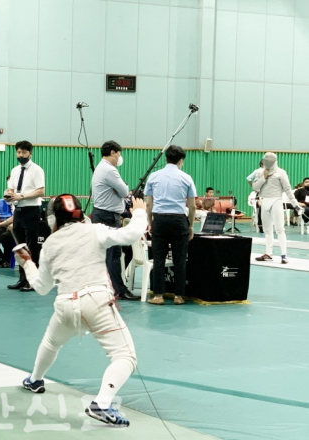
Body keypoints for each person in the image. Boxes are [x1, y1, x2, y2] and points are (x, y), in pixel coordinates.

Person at [16, 194, 147, 427]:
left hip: (65, 304)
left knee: (51, 342)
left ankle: (35, 380)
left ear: (53, 218)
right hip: (96, 302)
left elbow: (42, 288)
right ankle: (102, 403)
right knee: (125, 357)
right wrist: (138, 212)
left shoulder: (49, 245)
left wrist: (27, 263)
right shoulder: (95, 230)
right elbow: (131, 234)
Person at [145, 145, 196, 306]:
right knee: (180, 260)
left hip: (160, 219)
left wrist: (151, 222)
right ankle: (179, 296)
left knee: (158, 259)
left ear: (166, 158)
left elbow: (149, 204)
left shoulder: (154, 176)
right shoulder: (186, 178)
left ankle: (158, 295)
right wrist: (191, 225)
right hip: (179, 220)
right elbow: (192, 206)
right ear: (181, 160)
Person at [91, 141, 140, 301]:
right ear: (113, 152)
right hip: (108, 216)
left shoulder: (100, 168)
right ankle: (119, 289)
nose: (120, 157)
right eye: (119, 153)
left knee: (106, 254)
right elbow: (124, 191)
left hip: (100, 214)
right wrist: (122, 188)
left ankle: (107, 286)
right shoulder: (109, 170)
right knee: (113, 254)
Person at [6, 140, 45, 292]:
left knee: (32, 246)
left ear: (30, 153)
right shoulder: (15, 170)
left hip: (31, 210)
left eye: (23, 152)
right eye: (18, 152)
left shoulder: (37, 170)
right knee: (19, 246)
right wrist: (9, 195)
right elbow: (11, 189)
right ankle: (22, 279)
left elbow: (41, 191)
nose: (20, 155)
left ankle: (33, 281)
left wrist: (21, 196)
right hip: (18, 211)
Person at [253, 153, 302, 264]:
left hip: (277, 200)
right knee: (267, 230)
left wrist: (295, 204)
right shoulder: (260, 173)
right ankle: (268, 254)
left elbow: (288, 189)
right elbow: (255, 187)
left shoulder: (281, 172)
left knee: (280, 229)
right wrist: (263, 177)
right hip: (264, 201)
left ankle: (284, 255)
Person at [247, 161, 265, 232]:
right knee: (261, 207)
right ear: (262, 165)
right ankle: (261, 225)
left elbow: (248, 178)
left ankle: (261, 225)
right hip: (262, 194)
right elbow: (248, 178)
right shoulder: (259, 171)